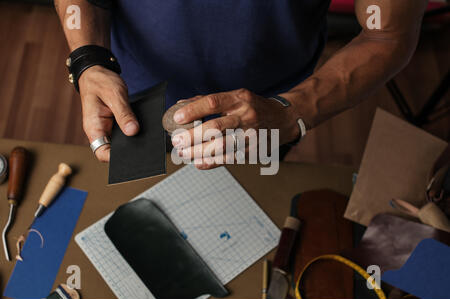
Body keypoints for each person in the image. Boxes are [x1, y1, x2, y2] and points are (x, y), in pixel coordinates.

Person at [55, 0, 428, 168]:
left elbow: (386, 35)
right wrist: (88, 59)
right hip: (133, 86)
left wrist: (292, 113)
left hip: (270, 110)